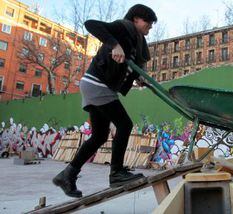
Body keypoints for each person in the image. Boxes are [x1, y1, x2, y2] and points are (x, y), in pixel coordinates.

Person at [53, 4, 157, 198]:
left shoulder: (136, 43)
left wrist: (139, 78)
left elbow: (131, 65)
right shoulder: (122, 28)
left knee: (100, 136)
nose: (150, 26)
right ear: (135, 19)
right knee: (125, 125)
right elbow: (90, 24)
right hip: (97, 84)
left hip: (98, 86)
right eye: (147, 22)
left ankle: (67, 175)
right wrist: (114, 44)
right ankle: (116, 173)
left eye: (151, 25)